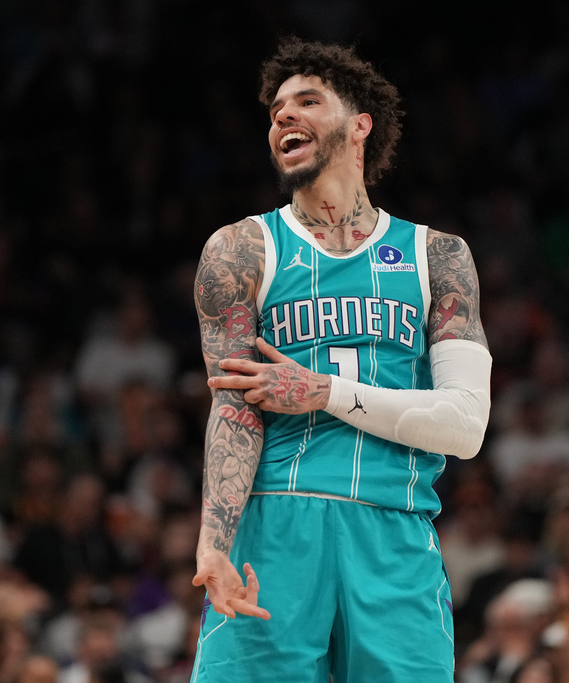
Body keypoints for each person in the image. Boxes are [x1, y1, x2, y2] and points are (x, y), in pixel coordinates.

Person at [190, 38, 492, 682]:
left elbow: (465, 427)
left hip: (394, 531)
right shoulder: (240, 249)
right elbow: (233, 406)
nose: (283, 117)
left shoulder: (437, 256)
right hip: (273, 528)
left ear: (360, 125)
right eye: (275, 110)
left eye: (307, 101)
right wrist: (214, 543)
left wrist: (322, 391)